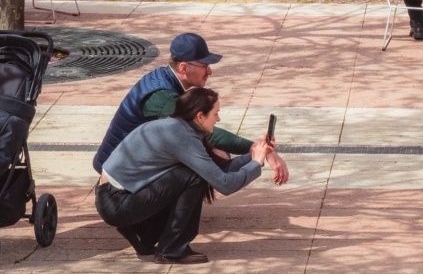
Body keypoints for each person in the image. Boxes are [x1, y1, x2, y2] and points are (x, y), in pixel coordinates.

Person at [96, 85, 270, 264]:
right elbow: (225, 184)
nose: (218, 119)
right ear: (200, 116)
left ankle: (143, 233)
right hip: (116, 202)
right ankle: (171, 249)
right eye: (215, 113)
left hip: (115, 195)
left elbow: (218, 172)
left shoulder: (176, 126)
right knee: (192, 177)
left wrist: (256, 154)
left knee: (190, 175)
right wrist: (256, 163)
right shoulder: (182, 137)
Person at [92, 32, 289, 183]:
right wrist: (258, 150)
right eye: (204, 66)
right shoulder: (161, 97)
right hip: (116, 174)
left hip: (129, 161)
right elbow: (202, 130)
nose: (210, 71)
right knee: (203, 162)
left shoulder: (165, 79)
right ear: (184, 68)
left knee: (213, 152)